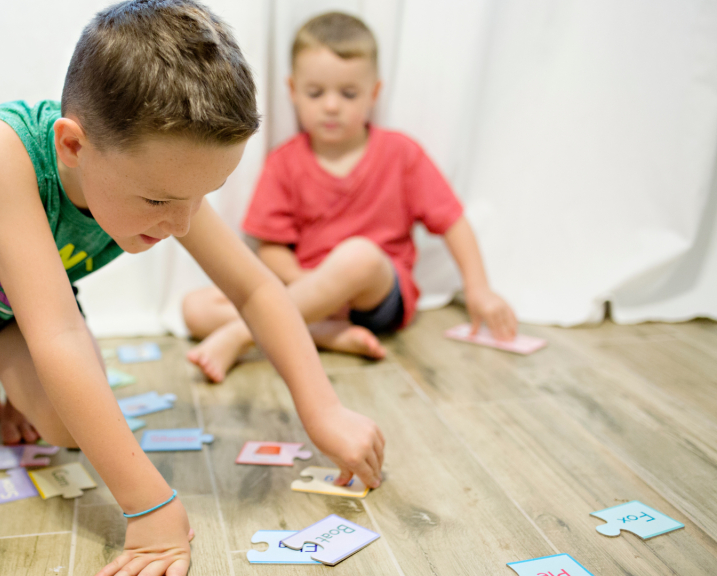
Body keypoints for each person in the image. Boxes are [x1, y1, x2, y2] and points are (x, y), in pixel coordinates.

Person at [0, 2, 386, 575]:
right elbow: (57, 333)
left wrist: (322, 410)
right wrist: (147, 508)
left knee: (66, 425)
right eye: (159, 200)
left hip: (7, 316)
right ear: (72, 144)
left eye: (204, 197)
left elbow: (255, 289)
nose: (182, 223)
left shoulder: (167, 176)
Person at [183, 11, 518, 383]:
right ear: (292, 90)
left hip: (376, 297)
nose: (331, 105)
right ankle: (321, 331)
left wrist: (479, 289)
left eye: (348, 93)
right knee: (194, 307)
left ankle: (242, 334)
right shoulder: (284, 163)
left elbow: (453, 222)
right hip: (305, 292)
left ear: (373, 93)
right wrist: (312, 286)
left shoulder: (402, 154)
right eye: (315, 92)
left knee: (358, 255)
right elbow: (271, 249)